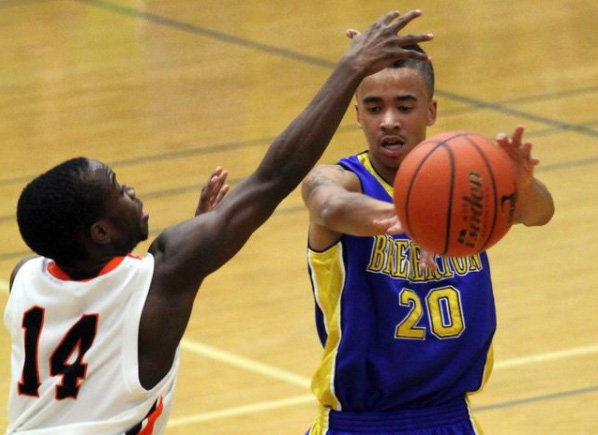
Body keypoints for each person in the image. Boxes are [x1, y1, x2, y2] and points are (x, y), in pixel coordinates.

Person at [4, 9, 433, 434]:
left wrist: (198, 238)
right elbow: (274, 178)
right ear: (100, 233)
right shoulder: (161, 275)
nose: (130, 190)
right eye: (116, 188)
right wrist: (351, 68)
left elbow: (94, 304)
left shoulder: (25, 277)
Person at [301, 41, 555, 434]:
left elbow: (541, 213)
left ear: (431, 111)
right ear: (357, 114)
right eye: (374, 108)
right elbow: (328, 206)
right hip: (359, 424)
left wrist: (519, 184)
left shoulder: (467, 184)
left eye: (404, 107)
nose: (389, 121)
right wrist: (409, 218)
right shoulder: (344, 180)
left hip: (451, 418)